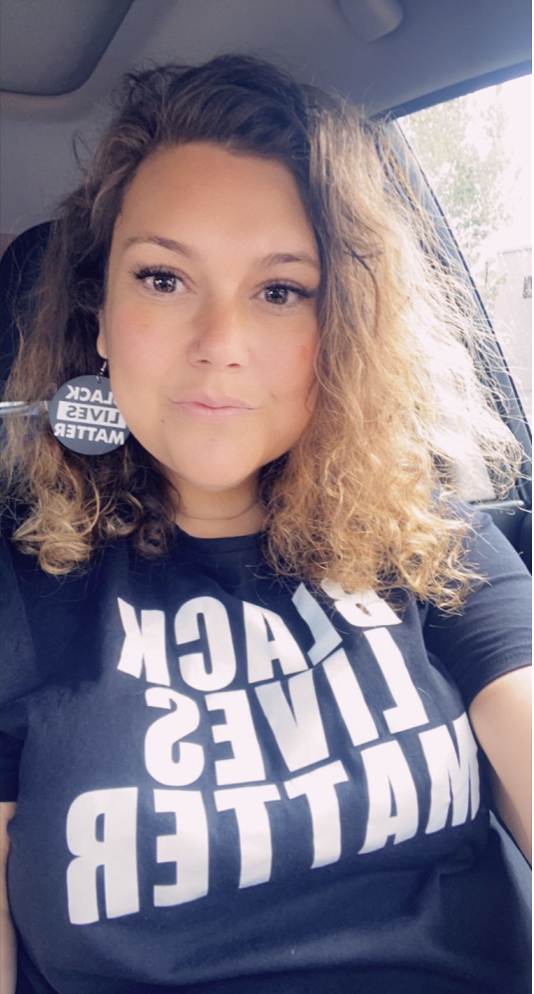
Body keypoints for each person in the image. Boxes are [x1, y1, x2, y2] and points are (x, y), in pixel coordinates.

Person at [0, 53, 531, 994]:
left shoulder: (426, 531)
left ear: (346, 324)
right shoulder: (17, 581)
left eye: (281, 290)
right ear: (101, 314)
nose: (220, 347)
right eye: (164, 279)